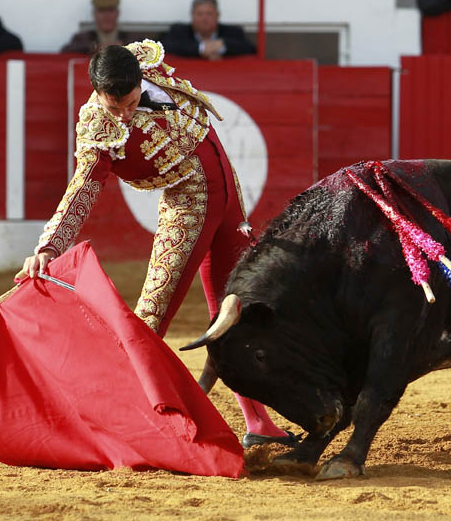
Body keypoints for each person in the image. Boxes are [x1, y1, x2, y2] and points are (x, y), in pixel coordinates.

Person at [16, 40, 296, 449]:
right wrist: (49, 247)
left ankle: (259, 423)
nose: (125, 114)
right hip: (188, 206)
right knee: (151, 316)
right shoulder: (98, 129)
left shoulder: (142, 64)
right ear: (98, 94)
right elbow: (82, 190)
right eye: (116, 108)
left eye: (130, 103)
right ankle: (114, 420)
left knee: (237, 309)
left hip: (228, 196)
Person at [160, 0, 257, 59]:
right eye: (200, 14)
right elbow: (161, 47)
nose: (204, 19)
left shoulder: (234, 32)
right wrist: (201, 48)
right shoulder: (178, 31)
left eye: (209, 14)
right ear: (192, 15)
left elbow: (251, 49)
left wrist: (222, 46)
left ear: (217, 15)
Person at [60, 0, 141, 54]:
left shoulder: (131, 38)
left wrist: (126, 47)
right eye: (102, 11)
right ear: (94, 14)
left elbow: (146, 51)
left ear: (117, 13)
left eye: (110, 10)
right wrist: (94, 47)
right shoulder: (81, 38)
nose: (106, 16)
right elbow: (65, 51)